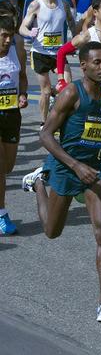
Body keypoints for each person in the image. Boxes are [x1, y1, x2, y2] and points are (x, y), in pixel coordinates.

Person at [23, 42, 101, 321]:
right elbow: (46, 135)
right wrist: (75, 165)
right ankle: (39, 183)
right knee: (52, 231)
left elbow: (99, 134)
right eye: (98, 63)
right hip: (67, 167)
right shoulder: (71, 93)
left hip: (93, 170)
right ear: (84, 65)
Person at [19, 0, 75, 125]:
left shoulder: (63, 3)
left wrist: (76, 41)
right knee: (44, 90)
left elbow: (71, 22)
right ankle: (44, 123)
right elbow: (22, 27)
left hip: (59, 53)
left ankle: (59, 110)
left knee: (68, 85)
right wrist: (30, 32)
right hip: (40, 53)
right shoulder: (36, 4)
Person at [0, 16, 27, 234]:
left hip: (11, 115)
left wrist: (23, 94)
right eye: (3, 36)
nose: (8, 40)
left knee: (8, 167)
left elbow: (24, 77)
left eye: (10, 35)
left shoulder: (17, 49)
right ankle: (1, 214)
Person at [55, 0, 101, 91]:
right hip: (97, 87)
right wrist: (61, 79)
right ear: (95, 12)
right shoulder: (87, 36)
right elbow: (61, 52)